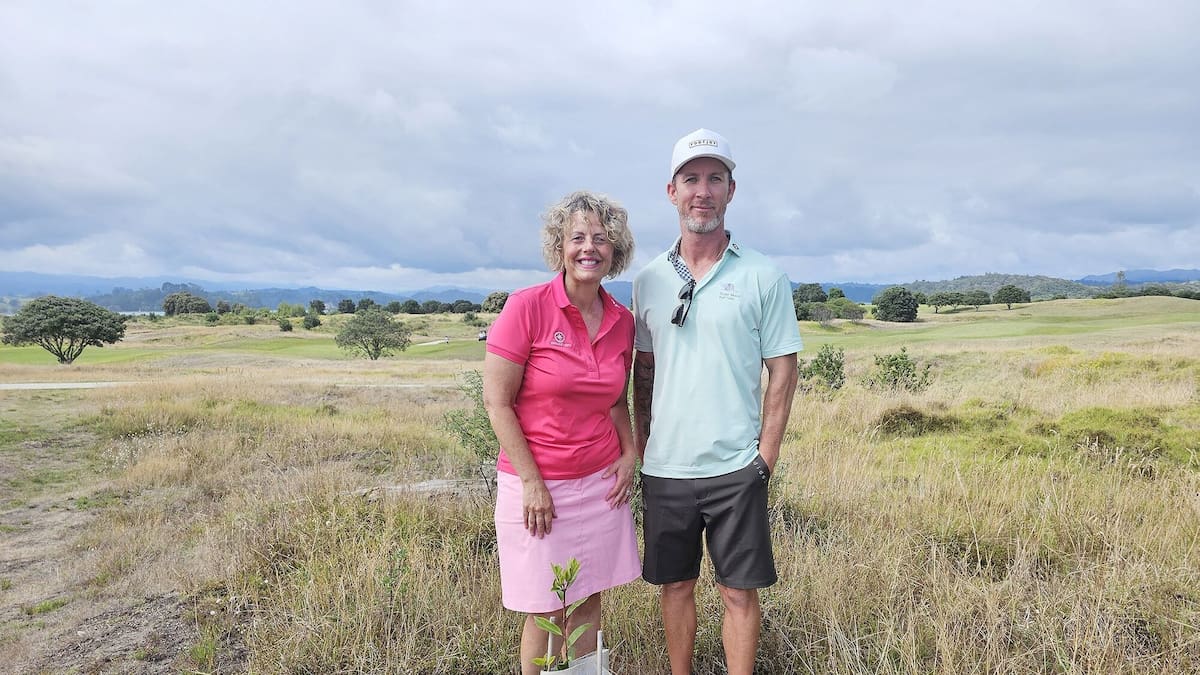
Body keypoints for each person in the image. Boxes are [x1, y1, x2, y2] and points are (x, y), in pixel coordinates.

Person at [632, 128, 802, 675]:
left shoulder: (763, 275)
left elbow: (783, 367)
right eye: (691, 179)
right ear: (671, 191)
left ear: (732, 190)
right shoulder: (650, 280)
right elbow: (644, 371)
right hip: (666, 468)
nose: (701, 191)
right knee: (676, 586)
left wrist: (765, 458)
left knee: (737, 593)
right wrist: (641, 446)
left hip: (736, 467)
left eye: (714, 179)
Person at [484, 190, 640, 675]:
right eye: (577, 237)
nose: (588, 247)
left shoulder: (622, 321)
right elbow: (498, 402)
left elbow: (616, 399)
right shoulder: (527, 307)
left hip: (599, 487)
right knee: (547, 608)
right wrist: (532, 483)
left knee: (589, 599)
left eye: (600, 238)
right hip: (538, 488)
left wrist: (630, 452)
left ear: (615, 250)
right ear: (560, 246)